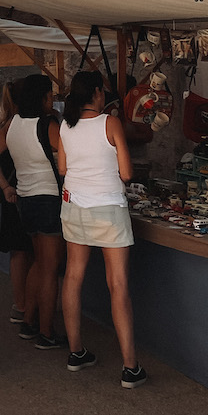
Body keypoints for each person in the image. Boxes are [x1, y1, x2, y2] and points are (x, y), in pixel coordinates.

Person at [57, 69, 147, 388]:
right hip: (108, 208)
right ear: (97, 93)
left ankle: (76, 352)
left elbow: (63, 168)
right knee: (118, 285)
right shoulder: (110, 123)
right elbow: (126, 172)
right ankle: (129, 366)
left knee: (73, 276)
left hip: (74, 206)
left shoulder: (66, 125)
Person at [0, 73, 64, 349]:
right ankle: (46, 331)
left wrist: (6, 184)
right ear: (42, 97)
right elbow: (68, 159)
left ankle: (29, 321)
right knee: (49, 269)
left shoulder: (13, 124)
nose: (53, 99)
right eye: (50, 95)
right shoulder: (48, 125)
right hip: (49, 199)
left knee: (38, 263)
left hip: (25, 199)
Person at [0, 80, 33, 325]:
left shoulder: (6, 120)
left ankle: (23, 304)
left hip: (14, 191)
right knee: (25, 251)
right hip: (18, 191)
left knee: (21, 251)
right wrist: (5, 185)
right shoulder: (15, 122)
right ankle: (24, 304)